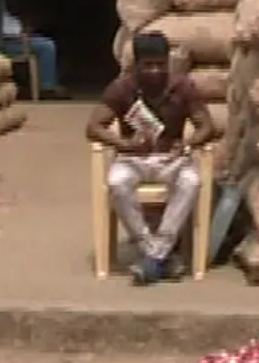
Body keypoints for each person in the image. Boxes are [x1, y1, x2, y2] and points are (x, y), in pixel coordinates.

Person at [85, 31, 214, 285]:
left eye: (160, 65)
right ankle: (158, 253)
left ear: (168, 62)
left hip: (171, 160)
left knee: (191, 181)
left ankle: (153, 256)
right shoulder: (122, 88)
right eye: (148, 65)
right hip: (133, 160)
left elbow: (207, 127)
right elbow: (93, 127)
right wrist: (125, 143)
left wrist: (186, 144)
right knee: (116, 183)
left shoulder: (183, 87)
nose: (155, 71)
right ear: (136, 65)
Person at [0, 9, 61, 98]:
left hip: (11, 38)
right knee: (47, 46)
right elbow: (6, 29)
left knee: (43, 41)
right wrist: (21, 32)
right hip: (4, 42)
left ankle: (48, 85)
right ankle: (47, 88)